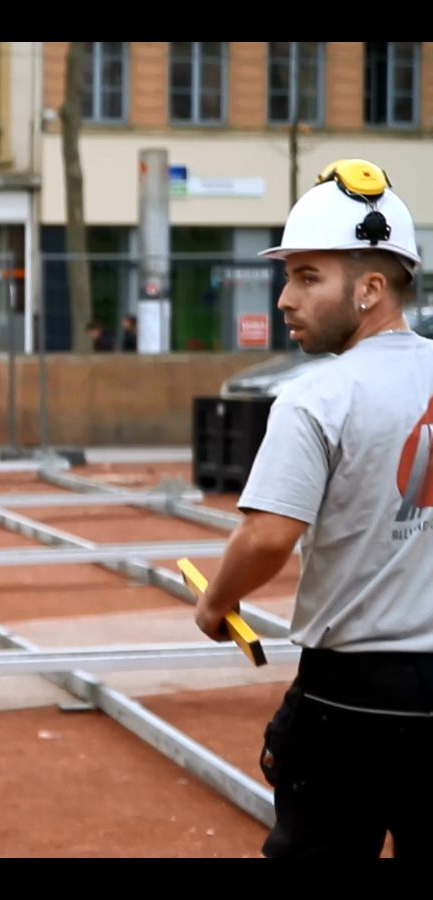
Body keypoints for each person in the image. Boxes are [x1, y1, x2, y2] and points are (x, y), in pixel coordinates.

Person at [193, 158, 432, 859]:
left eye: (307, 276)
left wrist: (216, 604)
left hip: (350, 695)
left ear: (371, 289)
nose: (284, 299)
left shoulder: (314, 398)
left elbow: (268, 538)